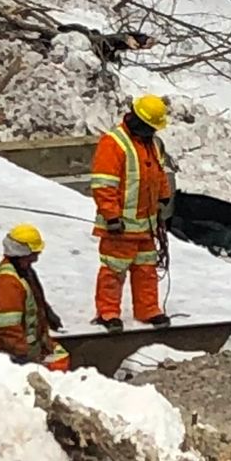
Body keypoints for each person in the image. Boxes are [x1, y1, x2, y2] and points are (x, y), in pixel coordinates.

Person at [90, 93, 174, 330]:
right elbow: (104, 184)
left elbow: (159, 173)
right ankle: (107, 313)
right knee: (113, 270)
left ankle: (148, 309)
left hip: (145, 224)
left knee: (146, 268)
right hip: (120, 225)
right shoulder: (114, 143)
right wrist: (111, 216)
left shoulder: (153, 144)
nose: (152, 132)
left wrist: (164, 197)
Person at [0, 224, 71, 370]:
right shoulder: (8, 284)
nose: (36, 258)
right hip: (13, 355)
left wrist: (47, 313)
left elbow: (34, 299)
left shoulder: (24, 272)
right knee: (57, 367)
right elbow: (8, 329)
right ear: (21, 253)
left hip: (30, 345)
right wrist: (24, 356)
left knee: (61, 359)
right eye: (33, 254)